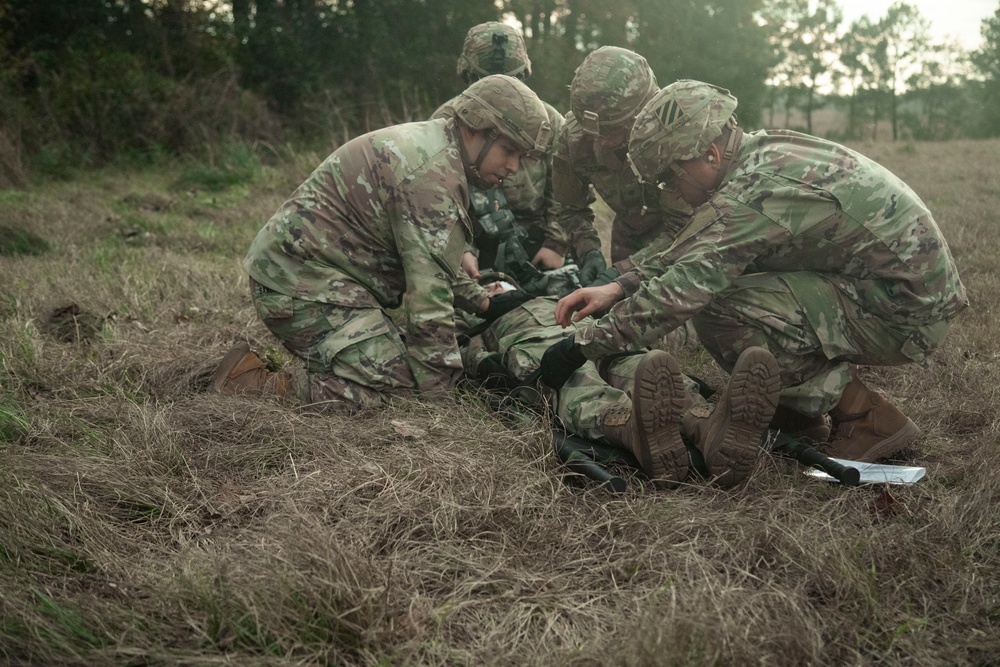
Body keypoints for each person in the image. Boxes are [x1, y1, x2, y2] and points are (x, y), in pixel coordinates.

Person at [542, 79, 968, 462]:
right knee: (729, 288)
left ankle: (867, 417)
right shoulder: (757, 156)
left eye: (669, 180)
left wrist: (581, 347)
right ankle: (798, 410)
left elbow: (685, 288)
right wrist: (619, 286)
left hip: (907, 312)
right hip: (896, 290)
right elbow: (695, 243)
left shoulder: (752, 192)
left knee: (719, 305)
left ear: (709, 153)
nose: (670, 193)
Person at [209, 75, 549, 408]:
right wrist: (440, 401)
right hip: (299, 287)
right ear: (474, 127)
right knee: (402, 390)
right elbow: (428, 303)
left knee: (408, 367)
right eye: (508, 150)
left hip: (312, 277)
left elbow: (432, 259)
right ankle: (253, 384)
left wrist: (481, 302)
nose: (514, 167)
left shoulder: (437, 147)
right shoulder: (431, 179)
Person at [462, 296, 781, 488]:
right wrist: (482, 365)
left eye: (498, 283)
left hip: (589, 334)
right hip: (535, 342)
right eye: (489, 285)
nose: (494, 287)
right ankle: (630, 427)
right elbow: (461, 346)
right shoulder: (475, 315)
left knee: (638, 364)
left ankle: (706, 425)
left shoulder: (546, 289)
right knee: (576, 382)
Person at [434, 22, 603, 295]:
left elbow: (565, 191)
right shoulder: (446, 121)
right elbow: (436, 201)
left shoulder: (547, 122)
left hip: (536, 246)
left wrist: (556, 244)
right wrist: (460, 251)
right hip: (470, 247)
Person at [551, 46, 689, 266]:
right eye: (591, 130)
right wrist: (588, 251)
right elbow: (569, 207)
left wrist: (624, 274)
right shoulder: (575, 139)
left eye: (611, 130)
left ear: (644, 114)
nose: (600, 141)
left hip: (687, 249)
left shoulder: (677, 134)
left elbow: (688, 226)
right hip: (627, 235)